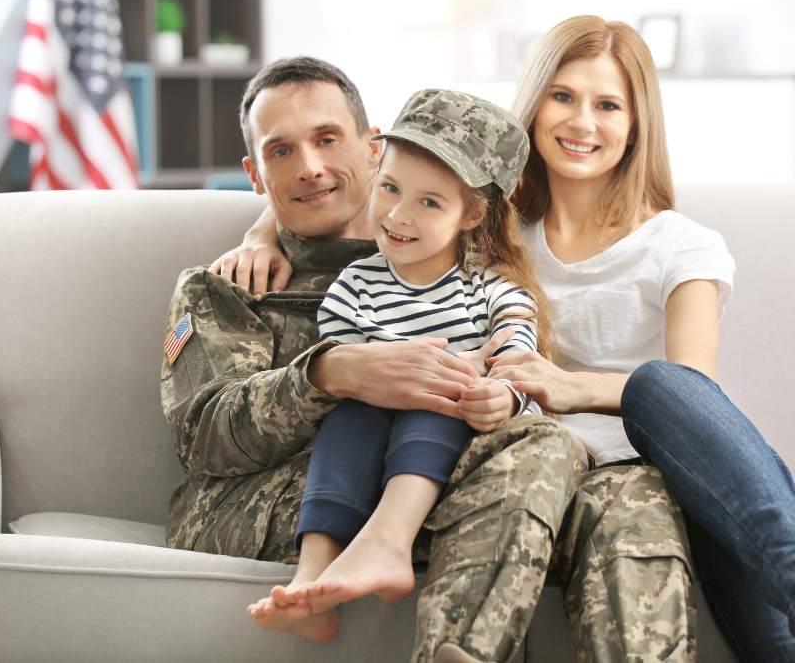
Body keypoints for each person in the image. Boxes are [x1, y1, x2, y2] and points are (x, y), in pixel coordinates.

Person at [203, 56, 696, 663]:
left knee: (601, 483)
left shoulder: (478, 259)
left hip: (481, 461)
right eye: (281, 152)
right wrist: (332, 371)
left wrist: (512, 389)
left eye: (328, 139)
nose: (310, 167)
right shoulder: (237, 283)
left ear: (369, 147)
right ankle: (361, 578)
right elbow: (206, 434)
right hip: (316, 493)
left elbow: (518, 347)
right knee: (527, 441)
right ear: (253, 171)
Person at [478, 16, 795, 662]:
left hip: (667, 464)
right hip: (539, 463)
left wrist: (573, 388)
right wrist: (260, 233)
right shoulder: (487, 232)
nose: (582, 122)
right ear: (533, 104)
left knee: (665, 385)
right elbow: (371, 202)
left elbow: (692, 393)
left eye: (607, 105)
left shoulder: (682, 243)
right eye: (563, 96)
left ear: (636, 124)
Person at [248, 88, 552, 638]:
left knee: (438, 395)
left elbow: (518, 353)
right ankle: (313, 578)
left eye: (429, 202)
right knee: (348, 416)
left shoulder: (489, 289)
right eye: (389, 187)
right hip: (369, 416)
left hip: (453, 418)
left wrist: (501, 393)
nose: (398, 214)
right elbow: (347, 360)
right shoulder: (355, 285)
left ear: (472, 213)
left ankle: (388, 541)